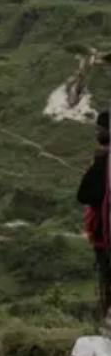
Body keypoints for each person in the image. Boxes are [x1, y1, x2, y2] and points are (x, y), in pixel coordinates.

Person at [77, 111, 111, 318]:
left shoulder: (103, 160)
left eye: (100, 129)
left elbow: (85, 194)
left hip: (105, 235)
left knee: (108, 285)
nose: (97, 132)